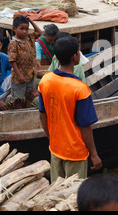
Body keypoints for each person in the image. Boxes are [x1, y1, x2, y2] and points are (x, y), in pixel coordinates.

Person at [39, 35, 102, 182]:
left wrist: (51, 138)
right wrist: (93, 154)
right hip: (75, 152)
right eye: (79, 52)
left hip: (55, 148)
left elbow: (43, 115)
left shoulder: (46, 80)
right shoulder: (80, 89)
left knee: (56, 192)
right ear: (75, 56)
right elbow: (85, 126)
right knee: (73, 196)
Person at [7, 15, 42, 109]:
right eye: (21, 29)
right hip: (19, 78)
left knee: (28, 98)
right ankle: (18, 117)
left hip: (29, 76)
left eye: (26, 29)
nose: (24, 31)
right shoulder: (14, 43)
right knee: (18, 100)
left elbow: (39, 32)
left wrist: (30, 20)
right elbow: (12, 60)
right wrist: (19, 75)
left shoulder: (29, 38)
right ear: (14, 29)